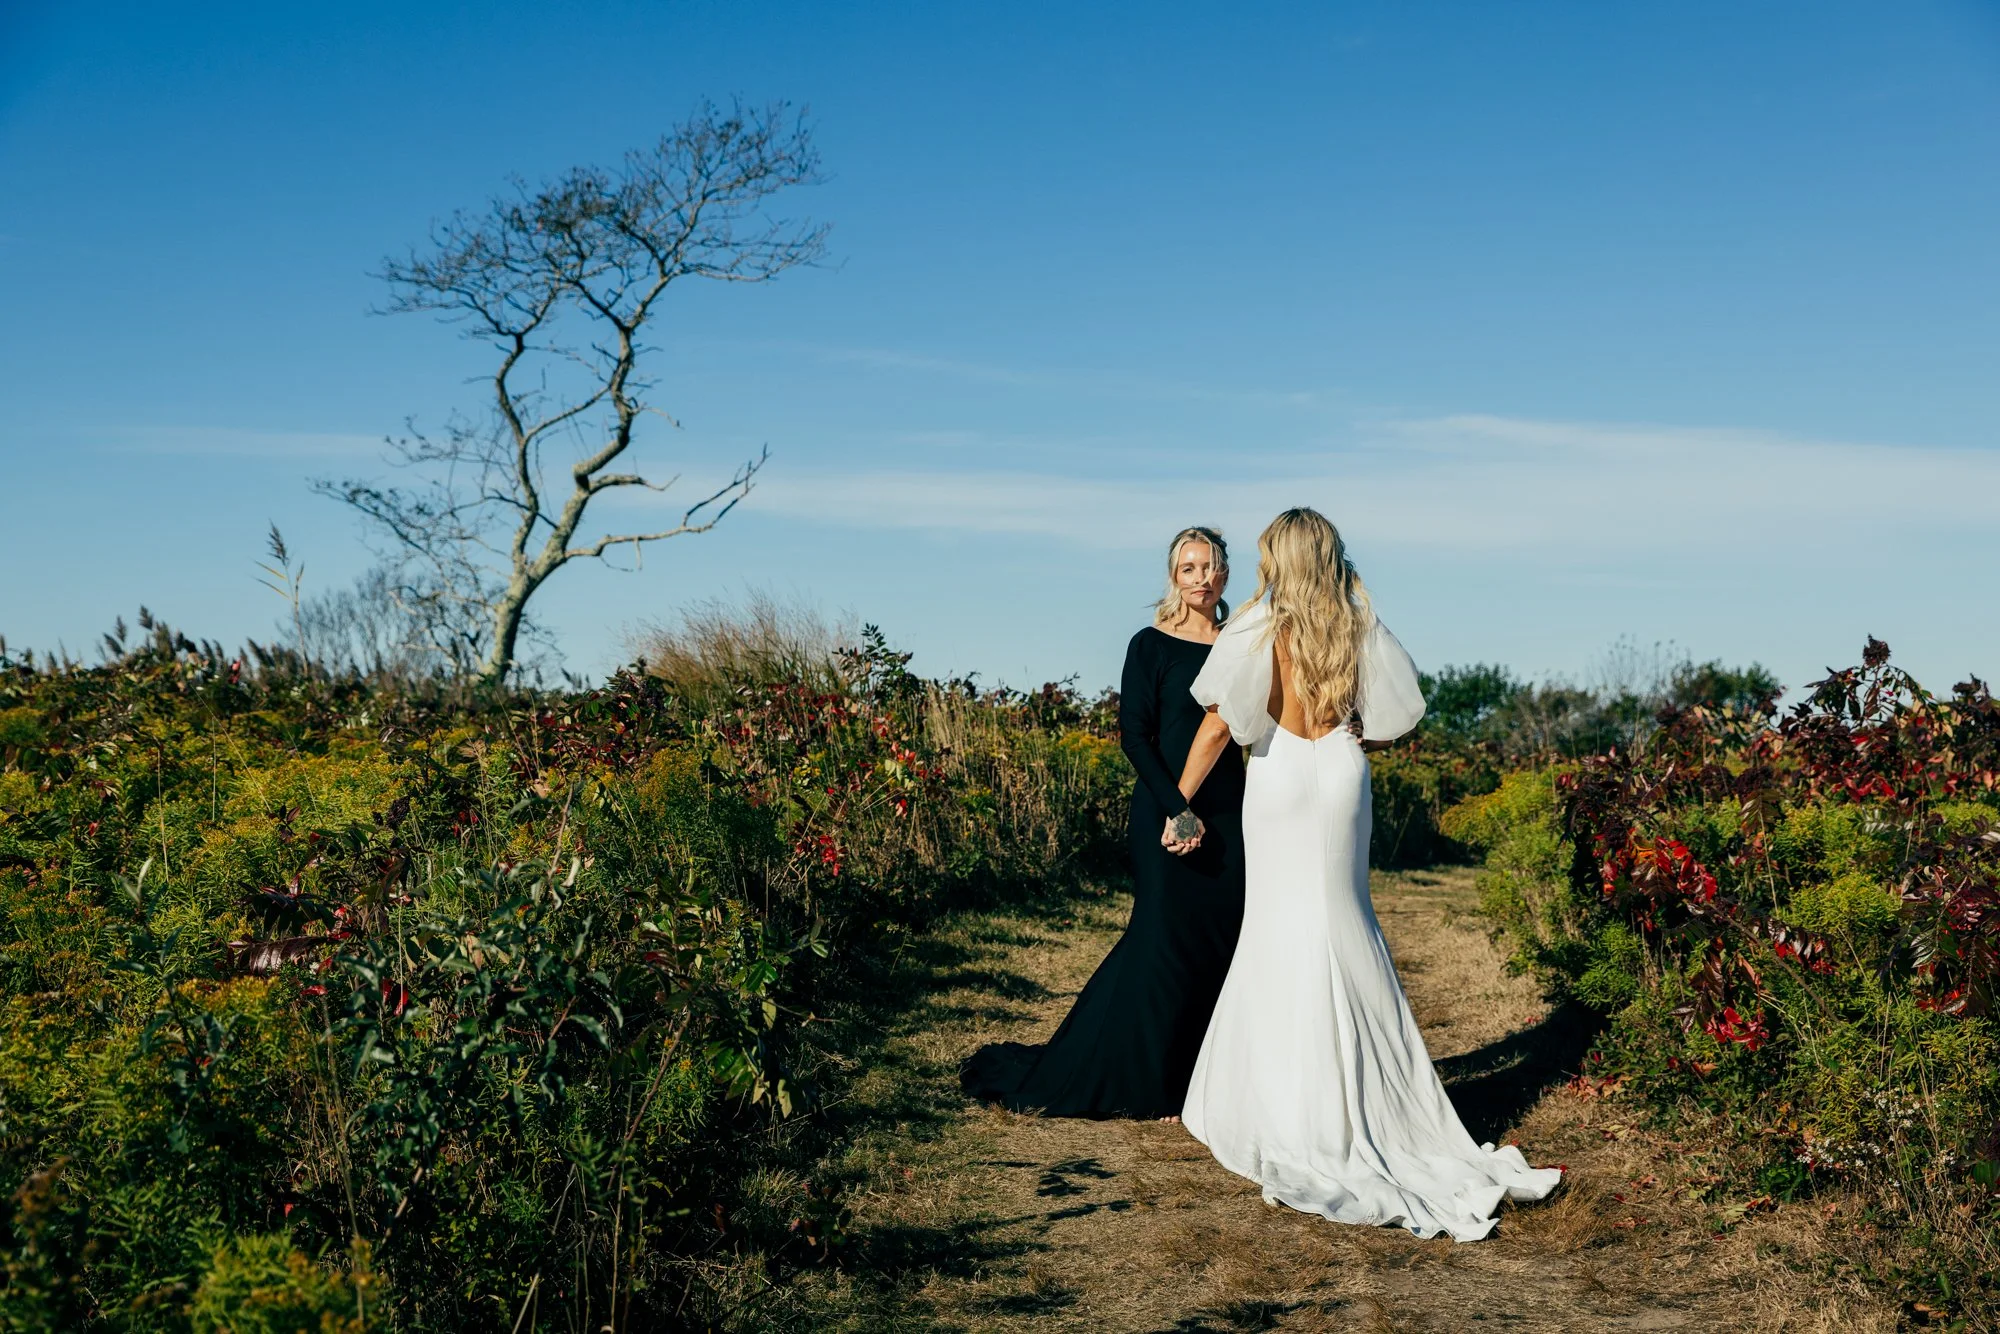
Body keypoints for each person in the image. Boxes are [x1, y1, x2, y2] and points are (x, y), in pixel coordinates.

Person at [1172, 507, 1561, 1241]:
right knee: (1345, 922)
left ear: (1277, 558)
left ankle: (1293, 1108)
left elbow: (1225, 720)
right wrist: (1355, 737)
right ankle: (1376, 1103)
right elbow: (1397, 714)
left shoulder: (1257, 622)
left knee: (1281, 928)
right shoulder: (1356, 621)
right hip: (1344, 773)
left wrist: (1179, 800)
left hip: (1282, 777)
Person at [960, 526, 1245, 1119]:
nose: (1198, 577)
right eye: (1186, 568)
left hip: (1230, 812)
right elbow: (1134, 738)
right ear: (1174, 577)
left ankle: (1203, 1078)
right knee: (1160, 945)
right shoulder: (1150, 645)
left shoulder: (1240, 643)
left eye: (1208, 566)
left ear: (1224, 574)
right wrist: (1178, 807)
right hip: (1167, 811)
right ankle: (1146, 1080)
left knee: (1216, 944)